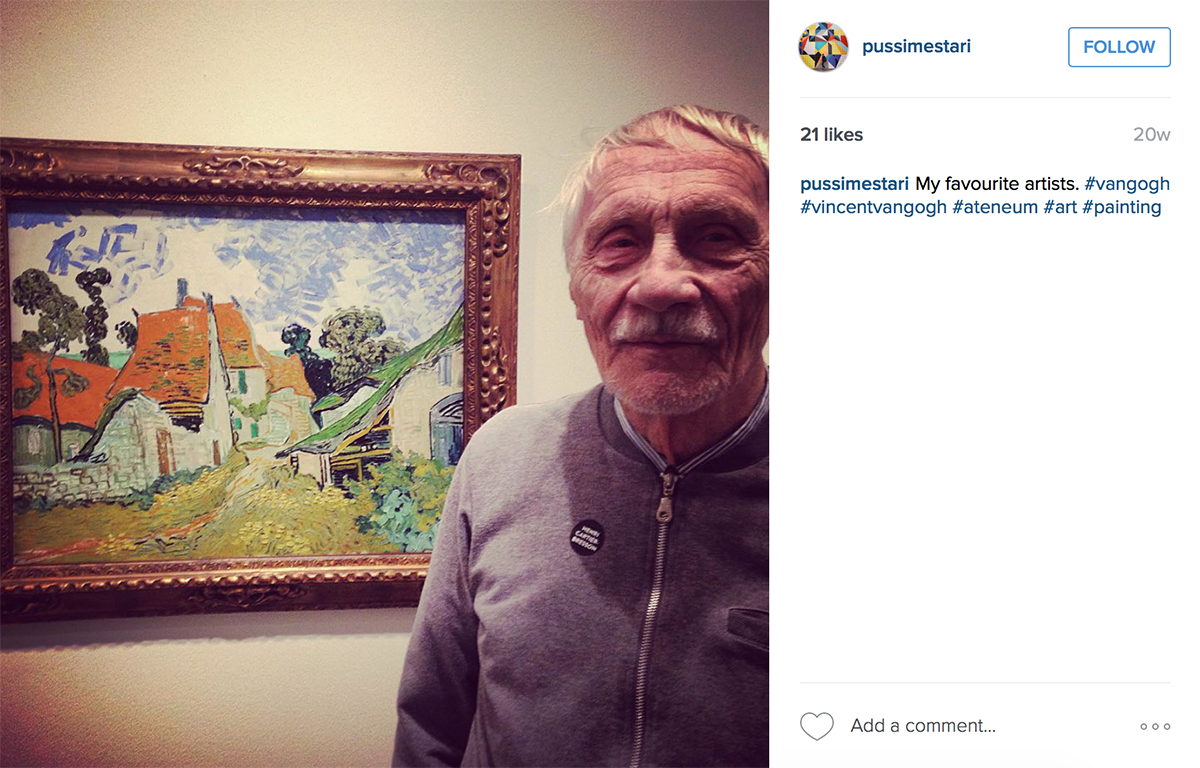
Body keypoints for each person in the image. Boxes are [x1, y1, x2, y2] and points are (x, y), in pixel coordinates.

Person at [393, 105, 769, 767]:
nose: (660, 285)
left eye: (717, 236)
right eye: (619, 242)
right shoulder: (500, 457)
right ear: (576, 287)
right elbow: (430, 725)